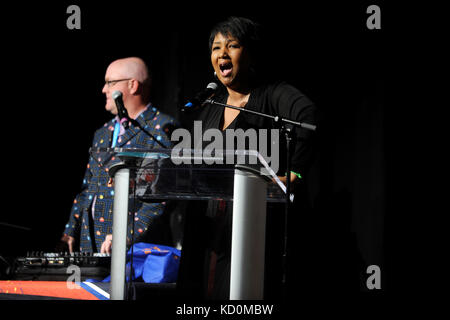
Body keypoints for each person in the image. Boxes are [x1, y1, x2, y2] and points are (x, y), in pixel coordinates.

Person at [184, 17, 318, 299]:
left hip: (256, 223)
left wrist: (294, 173)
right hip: (211, 225)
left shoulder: (271, 94)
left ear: (251, 53)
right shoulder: (211, 104)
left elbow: (308, 120)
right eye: (216, 47)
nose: (222, 54)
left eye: (232, 46)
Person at [61, 57, 178, 254]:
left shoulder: (161, 129)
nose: (103, 89)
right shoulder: (103, 133)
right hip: (93, 246)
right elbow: (87, 187)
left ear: (133, 85)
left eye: (110, 83)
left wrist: (128, 233)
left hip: (136, 252)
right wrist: (71, 230)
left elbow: (162, 197)